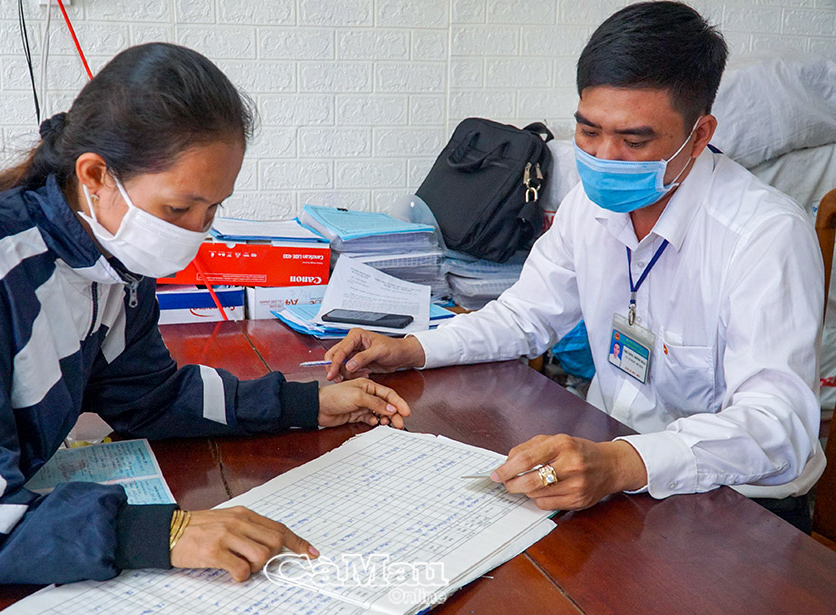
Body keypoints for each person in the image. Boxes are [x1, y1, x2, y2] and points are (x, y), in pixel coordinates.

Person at [0, 43, 410, 615]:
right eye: (179, 210)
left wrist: (304, 404)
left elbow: (148, 396)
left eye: (212, 210)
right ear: (95, 175)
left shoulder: (113, 263)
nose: (196, 232)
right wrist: (165, 534)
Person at [325, 2, 824, 531]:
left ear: (699, 135)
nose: (604, 157)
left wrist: (623, 462)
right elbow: (525, 316)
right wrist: (413, 348)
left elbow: (778, 426)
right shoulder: (590, 204)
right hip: (610, 465)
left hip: (733, 504)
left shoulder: (764, 236)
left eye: (634, 141)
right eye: (588, 131)